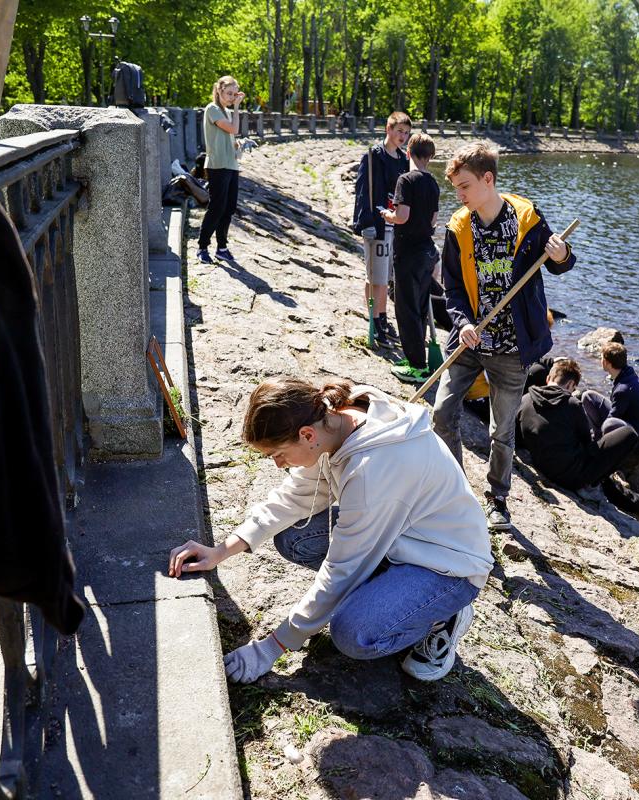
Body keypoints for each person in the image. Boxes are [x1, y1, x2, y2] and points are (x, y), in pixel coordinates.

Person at [167, 377, 492, 684]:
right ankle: (392, 594)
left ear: (306, 435)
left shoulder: (371, 472)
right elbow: (294, 497)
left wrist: (272, 647)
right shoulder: (336, 421)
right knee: (295, 537)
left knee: (352, 633)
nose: (279, 465)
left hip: (448, 565)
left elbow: (342, 570)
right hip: (400, 537)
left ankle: (442, 614)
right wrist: (221, 551)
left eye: (278, 454)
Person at [431, 142, 575, 531]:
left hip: (512, 348)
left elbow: (562, 263)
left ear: (488, 179)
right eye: (456, 188)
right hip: (470, 340)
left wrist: (561, 254)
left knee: (502, 430)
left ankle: (497, 499)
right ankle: (453, 488)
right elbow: (453, 289)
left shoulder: (527, 218)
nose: (459, 196)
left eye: (464, 186)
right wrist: (461, 323)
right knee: (442, 413)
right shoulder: (458, 228)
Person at [516, 359, 639, 517]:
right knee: (629, 434)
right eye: (573, 389)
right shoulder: (572, 404)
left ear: (548, 378)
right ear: (570, 385)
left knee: (612, 487)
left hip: (542, 464)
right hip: (572, 477)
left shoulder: (525, 399)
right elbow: (587, 443)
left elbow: (518, 436)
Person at [380, 133, 440, 384]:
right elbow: (434, 220)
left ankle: (417, 366)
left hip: (409, 253)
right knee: (419, 307)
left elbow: (402, 215)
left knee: (406, 309)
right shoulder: (434, 182)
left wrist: (387, 215)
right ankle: (418, 358)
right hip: (427, 251)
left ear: (408, 152)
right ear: (431, 156)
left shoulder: (405, 179)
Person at [352, 112, 412, 345]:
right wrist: (365, 222)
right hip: (376, 222)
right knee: (375, 276)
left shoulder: (402, 159)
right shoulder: (373, 156)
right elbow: (362, 190)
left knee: (384, 276)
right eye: (399, 131)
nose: (403, 137)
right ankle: (375, 320)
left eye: (406, 133)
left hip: (393, 225)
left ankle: (382, 316)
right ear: (388, 129)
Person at [197, 76, 244, 265]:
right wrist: (238, 107)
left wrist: (239, 146)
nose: (232, 97)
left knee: (229, 207)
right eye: (229, 93)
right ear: (219, 91)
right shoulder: (213, 109)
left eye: (235, 94)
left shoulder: (225, 111)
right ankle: (202, 247)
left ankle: (221, 248)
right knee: (216, 207)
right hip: (217, 165)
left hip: (231, 165)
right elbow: (233, 128)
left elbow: (232, 136)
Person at [581, 342, 639, 447]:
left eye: (601, 358)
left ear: (607, 363)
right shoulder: (628, 374)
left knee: (608, 425)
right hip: (632, 422)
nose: (600, 360)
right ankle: (597, 438)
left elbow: (613, 417)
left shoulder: (623, 389)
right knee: (588, 396)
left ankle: (598, 445)